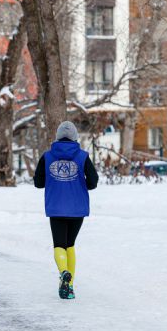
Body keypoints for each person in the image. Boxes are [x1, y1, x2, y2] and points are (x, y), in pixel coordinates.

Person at [33, 121, 99, 299]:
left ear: (57, 136)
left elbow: (38, 183)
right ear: (75, 137)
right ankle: (69, 288)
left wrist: (55, 181)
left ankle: (63, 272)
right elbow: (93, 182)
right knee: (70, 245)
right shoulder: (83, 156)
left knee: (59, 245)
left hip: (56, 207)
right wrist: (77, 183)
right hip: (77, 208)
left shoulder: (47, 157)